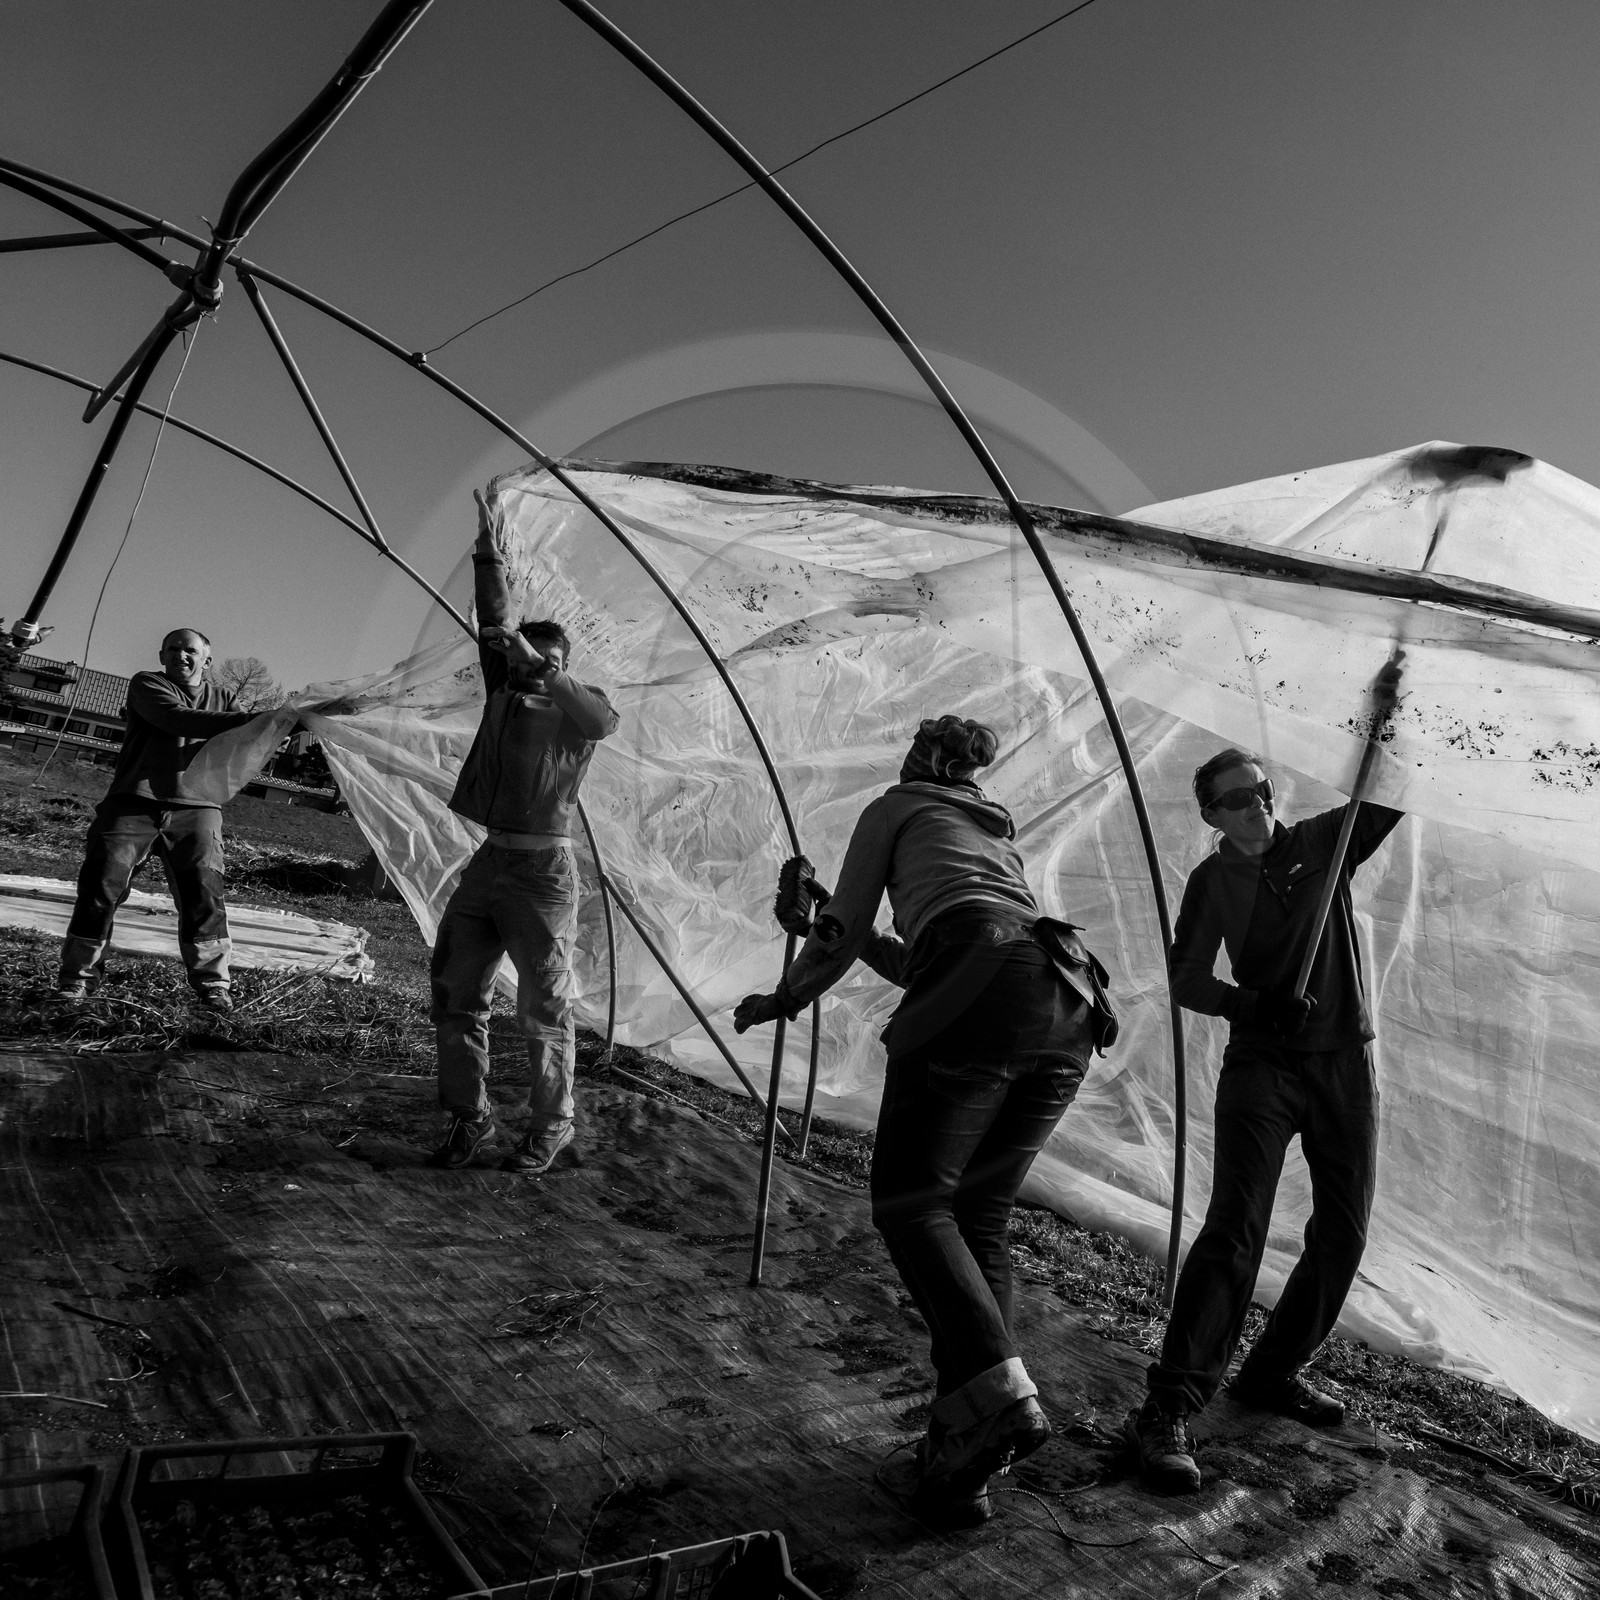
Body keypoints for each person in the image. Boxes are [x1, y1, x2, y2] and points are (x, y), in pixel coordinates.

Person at [735, 715, 1101, 1525]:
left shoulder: (895, 808)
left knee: (911, 1202)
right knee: (978, 1215)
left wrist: (787, 993)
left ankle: (1001, 1399)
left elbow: (847, 934)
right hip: (1067, 1000)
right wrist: (834, 916)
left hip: (989, 984)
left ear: (918, 764)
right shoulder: (984, 834)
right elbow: (923, 954)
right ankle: (962, 1456)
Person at [1126, 746, 1402, 1493]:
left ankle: (1272, 1372)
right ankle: (1170, 1407)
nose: (1258, 804)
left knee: (1343, 1230)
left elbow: (1398, 782)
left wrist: (1392, 712)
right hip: (1263, 1066)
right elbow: (1186, 978)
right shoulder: (1214, 882)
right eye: (1240, 799)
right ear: (1213, 814)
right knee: (1236, 1226)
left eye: (1263, 791)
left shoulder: (1324, 843)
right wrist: (1255, 1003)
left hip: (1345, 1059)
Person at [428, 490, 620, 1177]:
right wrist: (488, 551)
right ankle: (469, 1115)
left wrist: (551, 669)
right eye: (522, 655)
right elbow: (494, 621)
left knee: (543, 1006)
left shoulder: (578, 710)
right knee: (454, 991)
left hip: (543, 877)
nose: (529, 663)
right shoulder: (504, 692)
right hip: (491, 866)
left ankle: (552, 1123)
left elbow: (600, 722)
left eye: (547, 656)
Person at [56, 628, 256, 1011]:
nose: (181, 655)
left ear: (207, 661)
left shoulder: (225, 699)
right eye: (173, 649)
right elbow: (178, 719)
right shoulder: (147, 684)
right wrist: (267, 718)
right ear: (162, 656)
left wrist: (298, 720)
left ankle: (214, 986)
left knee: (204, 893)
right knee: (101, 886)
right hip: (133, 801)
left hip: (199, 808)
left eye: (190, 650)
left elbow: (247, 738)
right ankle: (76, 980)